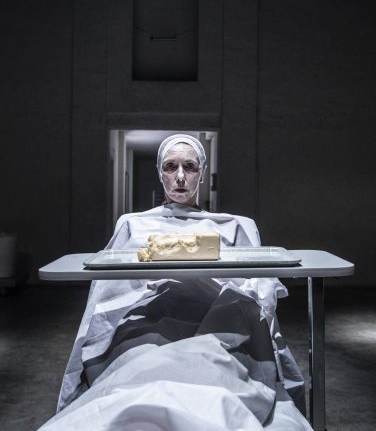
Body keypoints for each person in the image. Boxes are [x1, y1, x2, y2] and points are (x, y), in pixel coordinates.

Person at [38, 134, 310, 431]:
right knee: (142, 372)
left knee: (212, 372)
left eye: (190, 167)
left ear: (202, 174)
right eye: (171, 166)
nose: (180, 177)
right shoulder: (132, 224)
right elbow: (105, 291)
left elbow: (259, 287)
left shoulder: (233, 225)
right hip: (147, 319)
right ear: (160, 173)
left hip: (215, 318)